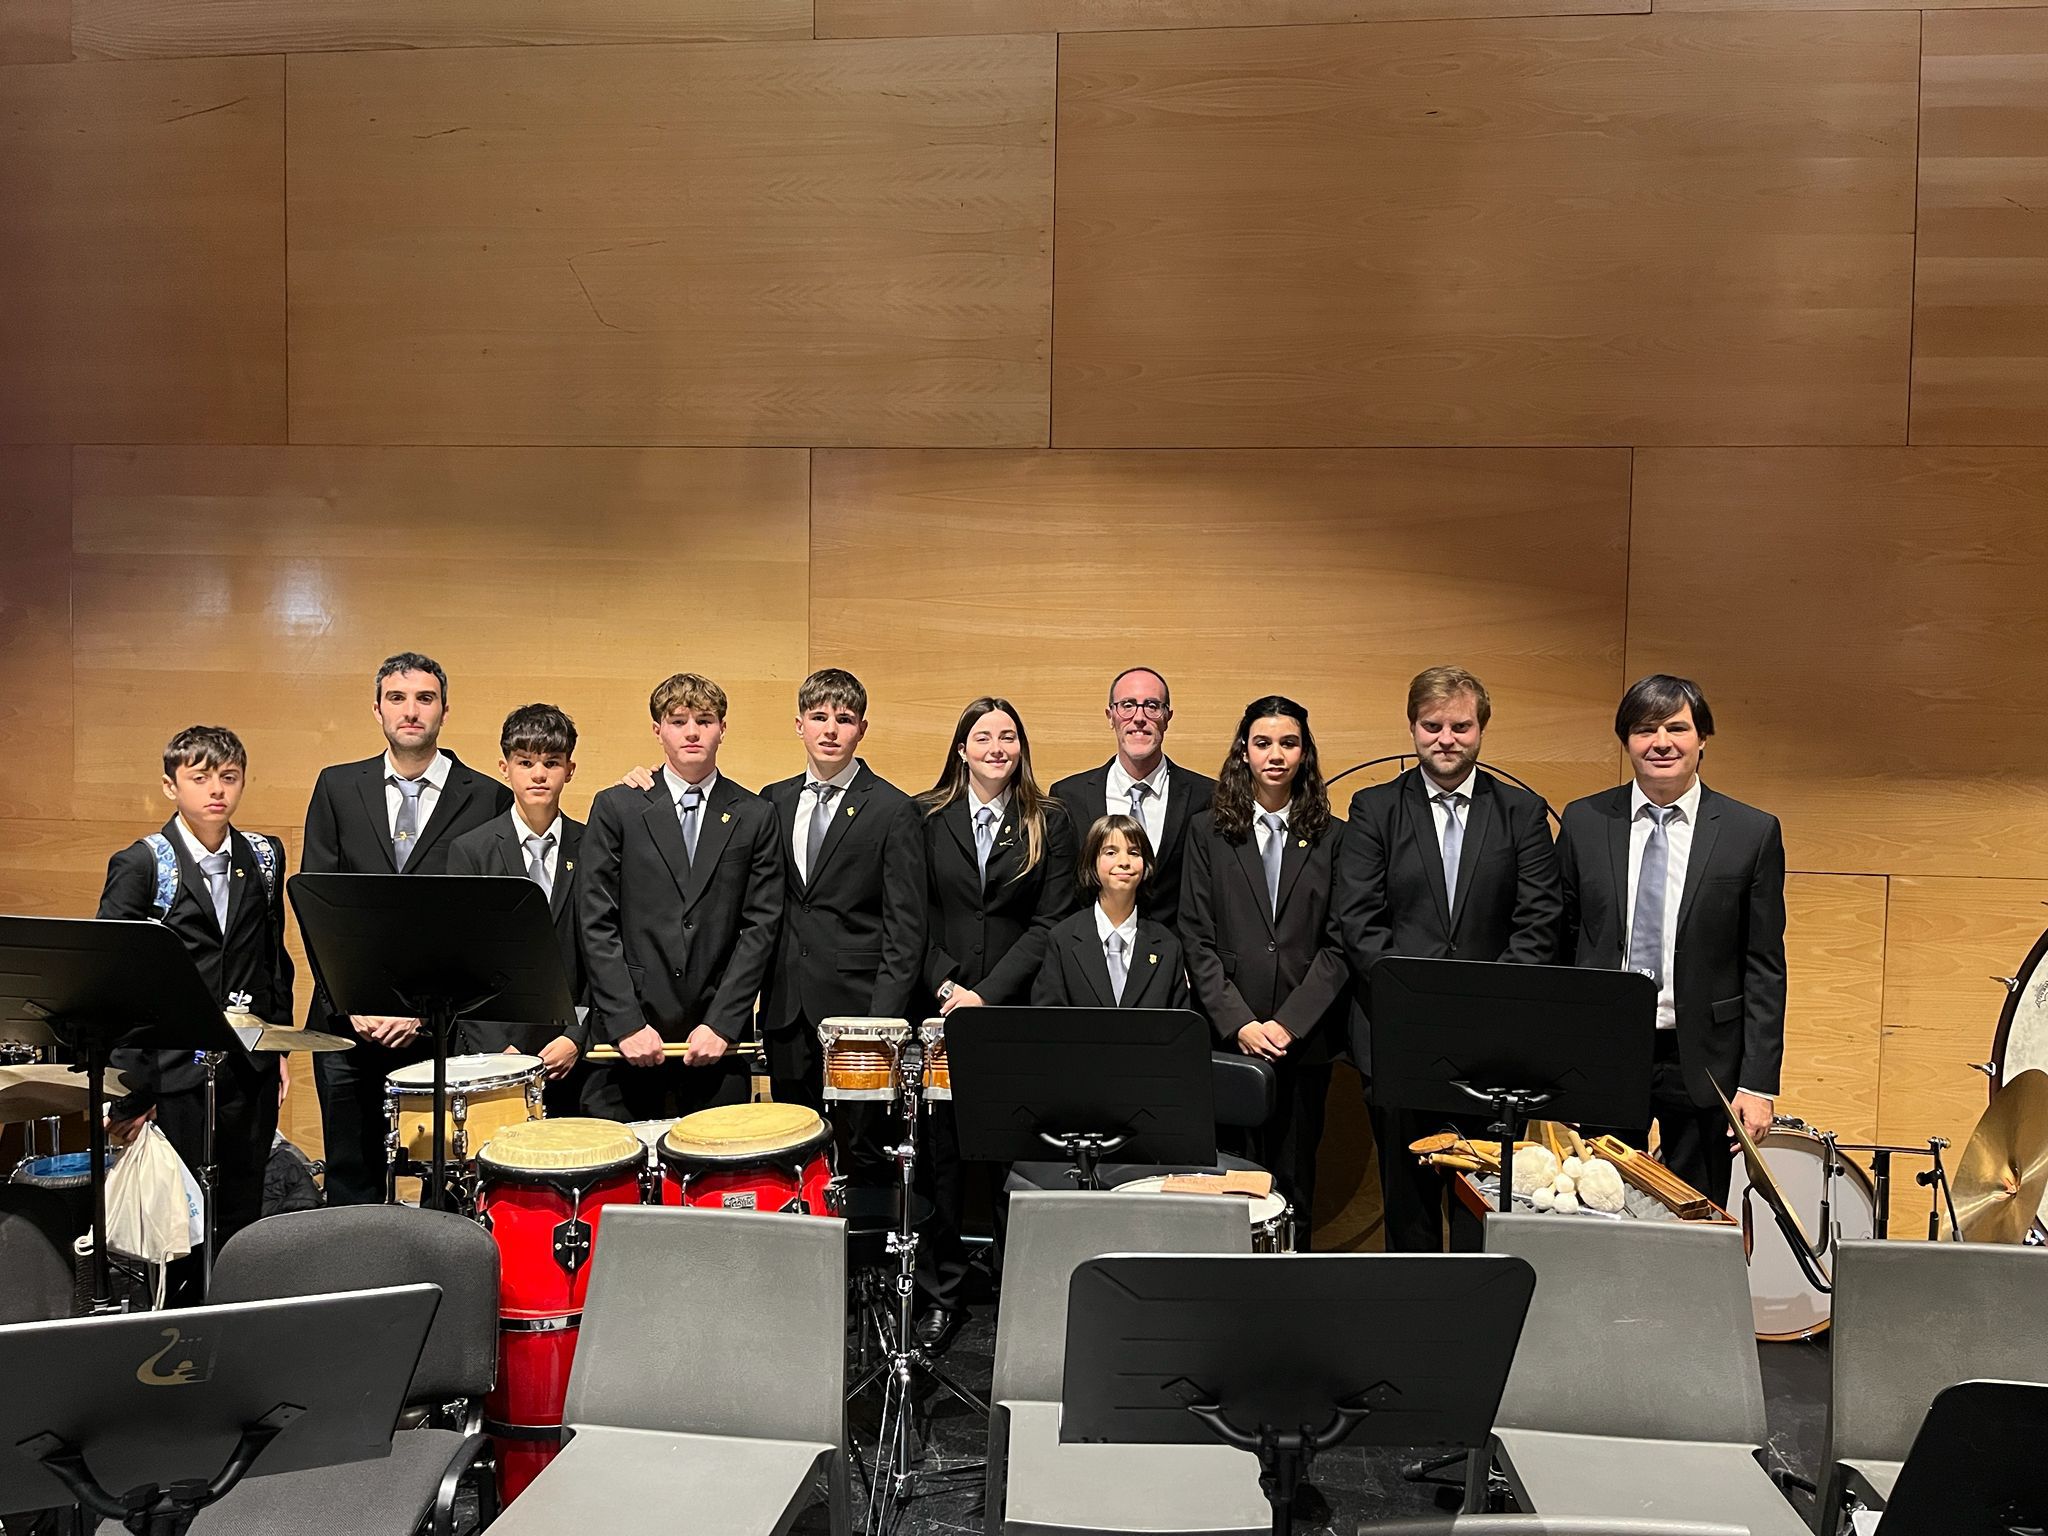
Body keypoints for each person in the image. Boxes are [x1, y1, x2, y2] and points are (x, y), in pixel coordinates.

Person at [1334, 666, 1561, 1252]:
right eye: (1432, 726)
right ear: (1412, 728)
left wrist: (1478, 1012)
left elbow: (1539, 923)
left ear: (1481, 729)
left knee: (1482, 1209)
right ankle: (1411, 1309)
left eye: (1460, 726)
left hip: (1495, 1046)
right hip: (1397, 1036)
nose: (1446, 739)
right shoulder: (1374, 809)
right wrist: (1423, 1008)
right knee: (1406, 1209)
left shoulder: (1522, 812)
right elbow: (1359, 922)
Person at [1555, 674, 1785, 1207]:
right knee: (1598, 1209)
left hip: (1703, 1059)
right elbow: (1560, 947)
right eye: (1645, 729)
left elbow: (1765, 965)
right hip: (1607, 1051)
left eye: (1677, 728)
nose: (1661, 742)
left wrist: (1757, 1085)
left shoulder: (1751, 832)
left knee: (1696, 1219)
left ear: (1703, 738)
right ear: (1626, 741)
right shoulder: (1585, 821)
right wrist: (1561, 1065)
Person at [302, 652, 511, 1205]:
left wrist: (420, 1011)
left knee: (448, 1187)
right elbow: (318, 906)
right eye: (397, 698)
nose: (411, 711)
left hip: (442, 1027)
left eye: (425, 698)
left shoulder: (487, 796)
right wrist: (353, 1001)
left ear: (444, 710)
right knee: (352, 1182)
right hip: (347, 1024)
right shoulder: (337, 787)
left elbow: (482, 923)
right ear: (377, 709)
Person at [101, 726, 292, 1301]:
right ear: (170, 785)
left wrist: (279, 1047)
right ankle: (179, 1329)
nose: (217, 790)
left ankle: (235, 1319)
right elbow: (113, 977)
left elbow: (272, 958)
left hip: (247, 1065)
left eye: (229, 777)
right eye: (201, 777)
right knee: (181, 1222)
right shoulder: (142, 863)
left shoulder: (264, 855)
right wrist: (131, 1087)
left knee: (240, 1210)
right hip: (172, 1072)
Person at [913, 697, 1077, 1346]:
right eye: (983, 737)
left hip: (1013, 1013)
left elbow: (1050, 922)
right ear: (961, 748)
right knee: (942, 1162)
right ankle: (942, 1296)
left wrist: (986, 995)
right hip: (940, 1012)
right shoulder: (925, 817)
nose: (996, 748)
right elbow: (911, 917)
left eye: (1008, 736)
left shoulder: (1049, 820)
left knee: (1015, 1162)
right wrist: (947, 986)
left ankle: (1019, 1296)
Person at [1179, 696, 1349, 1234]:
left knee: (1296, 1178)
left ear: (1305, 753)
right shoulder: (1207, 831)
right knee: (1230, 1179)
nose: (1276, 755)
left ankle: (1291, 1277)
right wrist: (1241, 1023)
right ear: (1244, 752)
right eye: (1263, 743)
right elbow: (1196, 937)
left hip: (1304, 1039)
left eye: (1288, 743)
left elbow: (1340, 944)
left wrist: (1288, 1024)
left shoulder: (1334, 835)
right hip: (1229, 1037)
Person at [583, 675, 784, 1122]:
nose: (692, 732)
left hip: (716, 1039)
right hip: (627, 1035)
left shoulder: (755, 815)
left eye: (704, 721)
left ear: (722, 729)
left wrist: (723, 1022)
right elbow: (596, 922)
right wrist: (627, 1023)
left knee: (715, 1164)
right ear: (658, 730)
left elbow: (760, 927)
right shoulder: (617, 807)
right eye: (678, 721)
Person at [759, 669, 926, 1120]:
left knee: (859, 1149)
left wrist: (882, 1024)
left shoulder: (894, 808)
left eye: (844, 719)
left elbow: (906, 929)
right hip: (786, 1012)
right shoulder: (772, 800)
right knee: (792, 1139)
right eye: (819, 717)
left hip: (859, 1015)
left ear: (862, 729)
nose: (830, 730)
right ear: (799, 725)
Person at [446, 704, 591, 1115]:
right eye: (525, 762)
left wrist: (576, 1036)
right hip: (493, 1054)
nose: (539, 774)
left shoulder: (592, 846)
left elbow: (603, 952)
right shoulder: (471, 851)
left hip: (567, 1055)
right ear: (505, 768)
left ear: (570, 769)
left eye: (551, 762)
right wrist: (498, 1048)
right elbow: (461, 959)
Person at [1049, 668, 1215, 935]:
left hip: (1177, 954)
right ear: (1110, 716)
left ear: (1167, 717)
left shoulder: (1207, 796)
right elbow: (1061, 897)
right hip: (1091, 953)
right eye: (1127, 705)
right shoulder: (1068, 796)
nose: (1139, 717)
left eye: (1152, 706)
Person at [1034, 815, 1192, 1011]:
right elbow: (1048, 1020)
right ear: (1092, 861)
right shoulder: (1062, 939)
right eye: (1111, 852)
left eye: (1134, 852)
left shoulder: (1168, 946)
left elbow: (1179, 1024)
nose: (1124, 861)